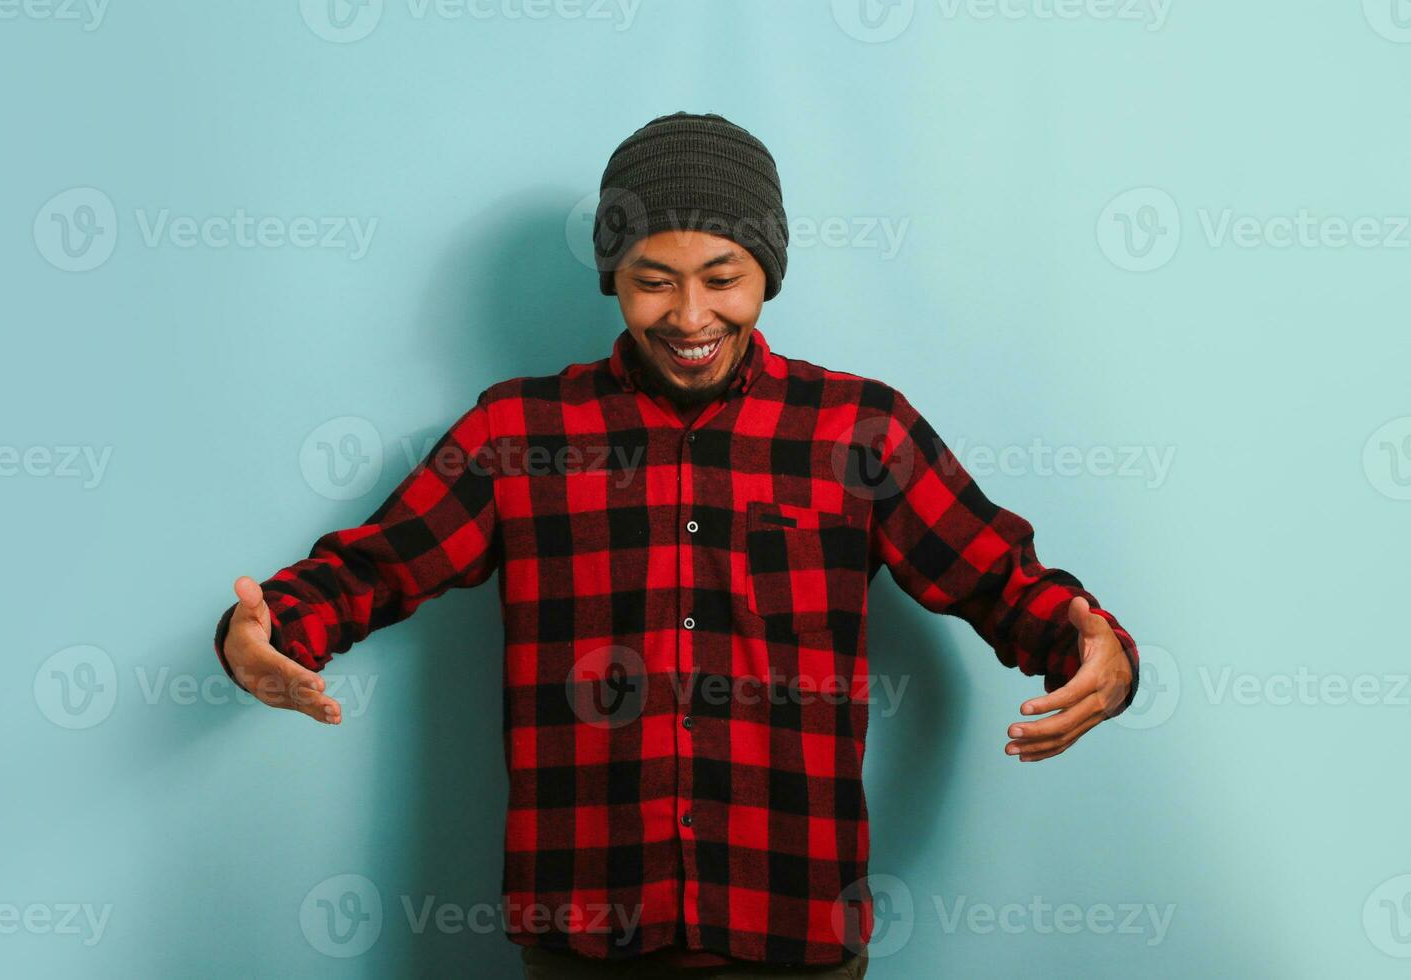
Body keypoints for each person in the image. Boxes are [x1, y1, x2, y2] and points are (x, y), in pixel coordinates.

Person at [212, 111, 1140, 979]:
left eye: (722, 277)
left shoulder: (862, 430)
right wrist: (266, 635)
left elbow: (1000, 580)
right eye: (653, 280)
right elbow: (373, 569)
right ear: (612, 276)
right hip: (585, 925)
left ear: (767, 273)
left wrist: (1093, 649)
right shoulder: (517, 430)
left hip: (792, 921)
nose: (690, 316)